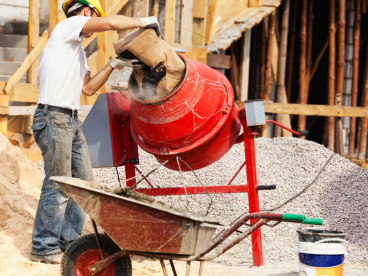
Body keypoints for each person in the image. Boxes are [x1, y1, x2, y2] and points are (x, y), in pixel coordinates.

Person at [30, 0, 159, 264]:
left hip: (70, 120)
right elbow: (111, 22)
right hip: (53, 117)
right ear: (87, 12)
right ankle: (43, 247)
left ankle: (69, 243)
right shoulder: (68, 26)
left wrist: (114, 64)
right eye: (93, 18)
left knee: (84, 185)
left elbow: (88, 89)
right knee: (58, 183)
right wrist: (145, 22)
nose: (92, 27)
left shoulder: (74, 50)